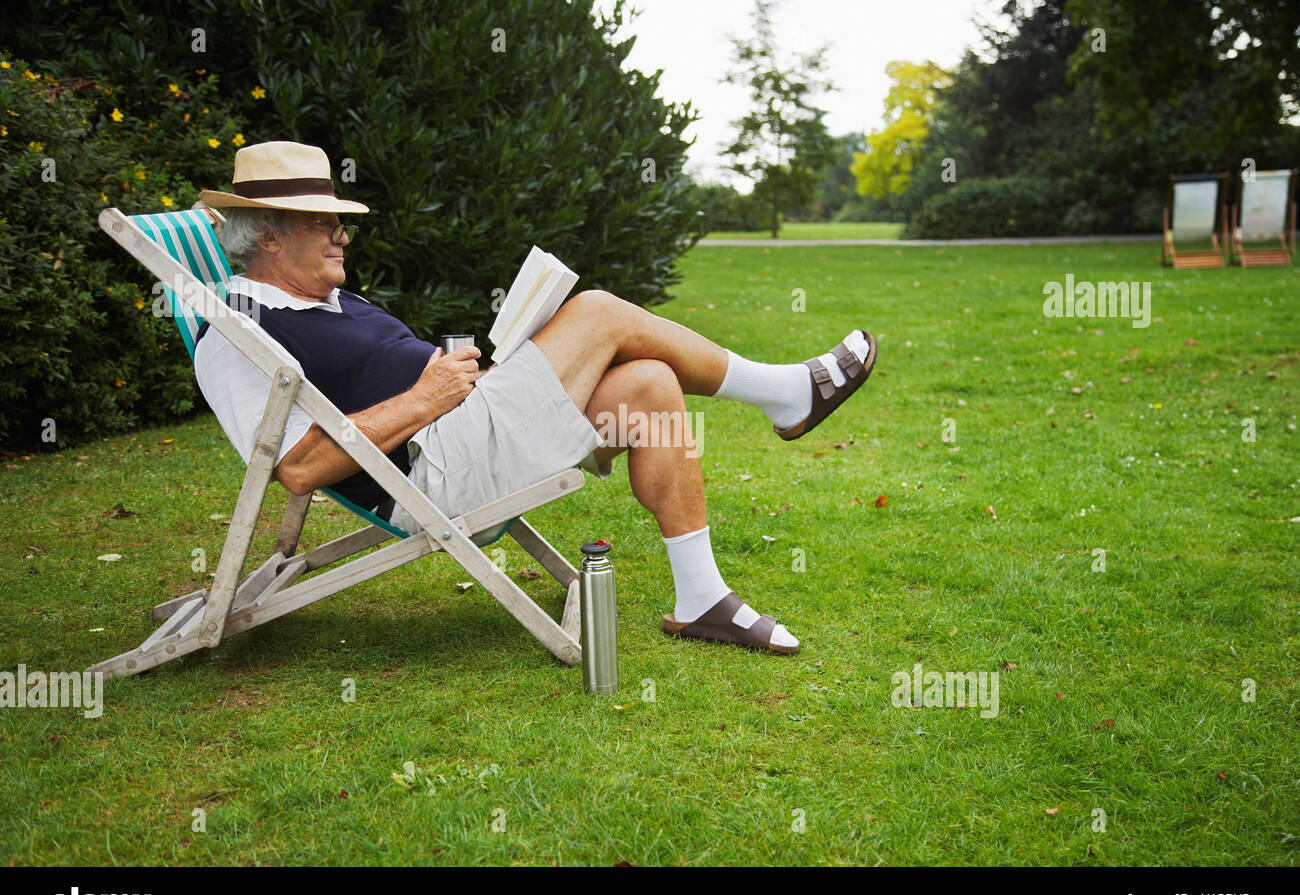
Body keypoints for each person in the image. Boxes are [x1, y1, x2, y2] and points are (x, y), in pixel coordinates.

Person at [195, 141, 877, 655]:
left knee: (648, 386)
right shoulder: (235, 335)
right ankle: (787, 394)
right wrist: (427, 397)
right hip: (437, 474)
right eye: (325, 224)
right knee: (601, 311)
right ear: (271, 235)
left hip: (468, 426)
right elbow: (298, 468)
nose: (342, 234)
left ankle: (702, 598)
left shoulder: (321, 299)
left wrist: (460, 380)